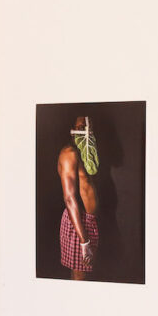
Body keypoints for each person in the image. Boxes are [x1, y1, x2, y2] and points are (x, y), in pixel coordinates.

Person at [58, 116, 99, 280]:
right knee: (79, 278)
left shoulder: (83, 154)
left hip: (88, 222)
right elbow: (69, 198)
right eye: (81, 127)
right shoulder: (70, 153)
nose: (86, 131)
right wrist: (84, 241)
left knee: (85, 277)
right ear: (71, 130)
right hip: (78, 226)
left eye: (89, 127)